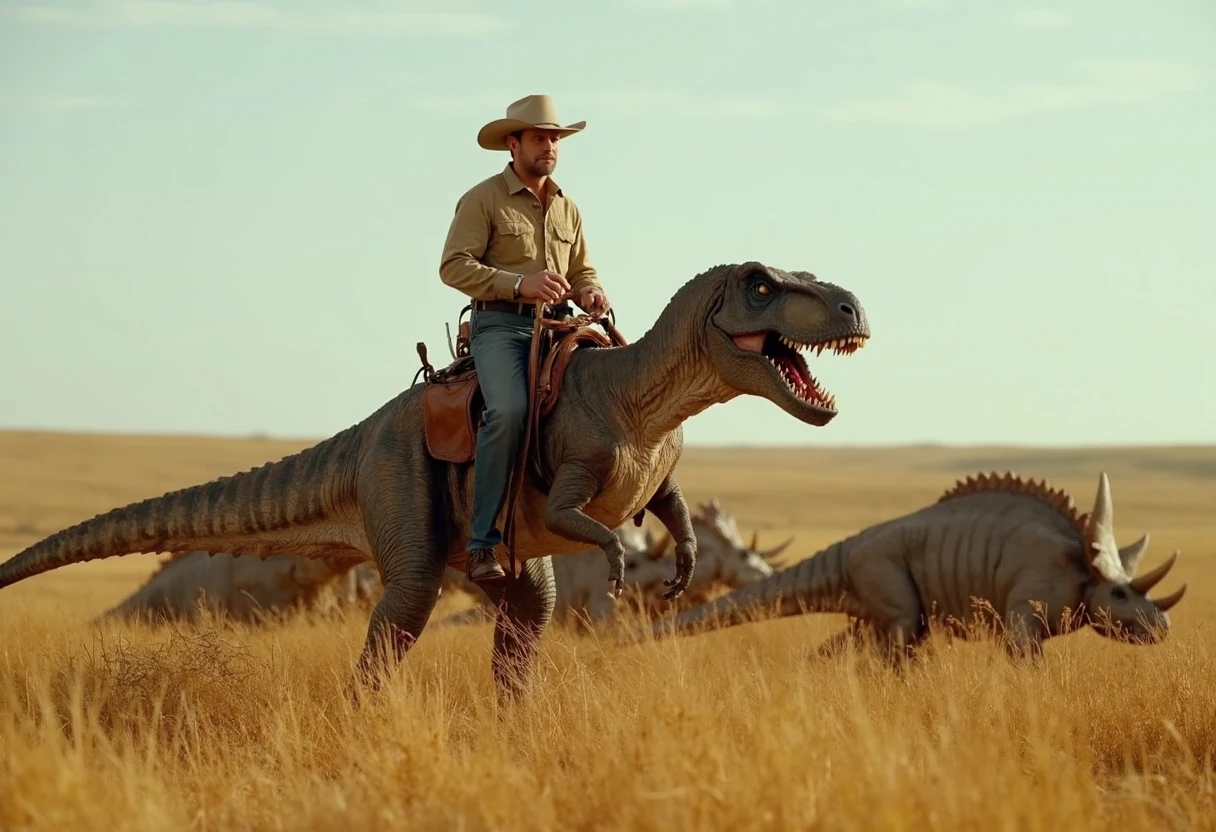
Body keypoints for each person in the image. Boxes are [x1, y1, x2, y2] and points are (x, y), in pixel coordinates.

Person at [439, 94, 611, 583]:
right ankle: (481, 543)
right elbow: (453, 265)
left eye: (555, 138)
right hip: (502, 327)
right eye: (539, 137)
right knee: (509, 412)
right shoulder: (483, 198)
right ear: (512, 143)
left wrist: (591, 291)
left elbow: (583, 269)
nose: (549, 146)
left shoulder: (567, 207)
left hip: (560, 327)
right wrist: (518, 284)